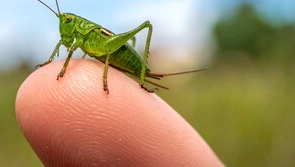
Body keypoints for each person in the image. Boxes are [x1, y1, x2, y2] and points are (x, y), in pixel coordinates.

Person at [16, 59, 223, 166]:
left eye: (68, 21)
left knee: (145, 24)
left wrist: (104, 80)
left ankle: (141, 79)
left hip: (113, 49)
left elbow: (102, 56)